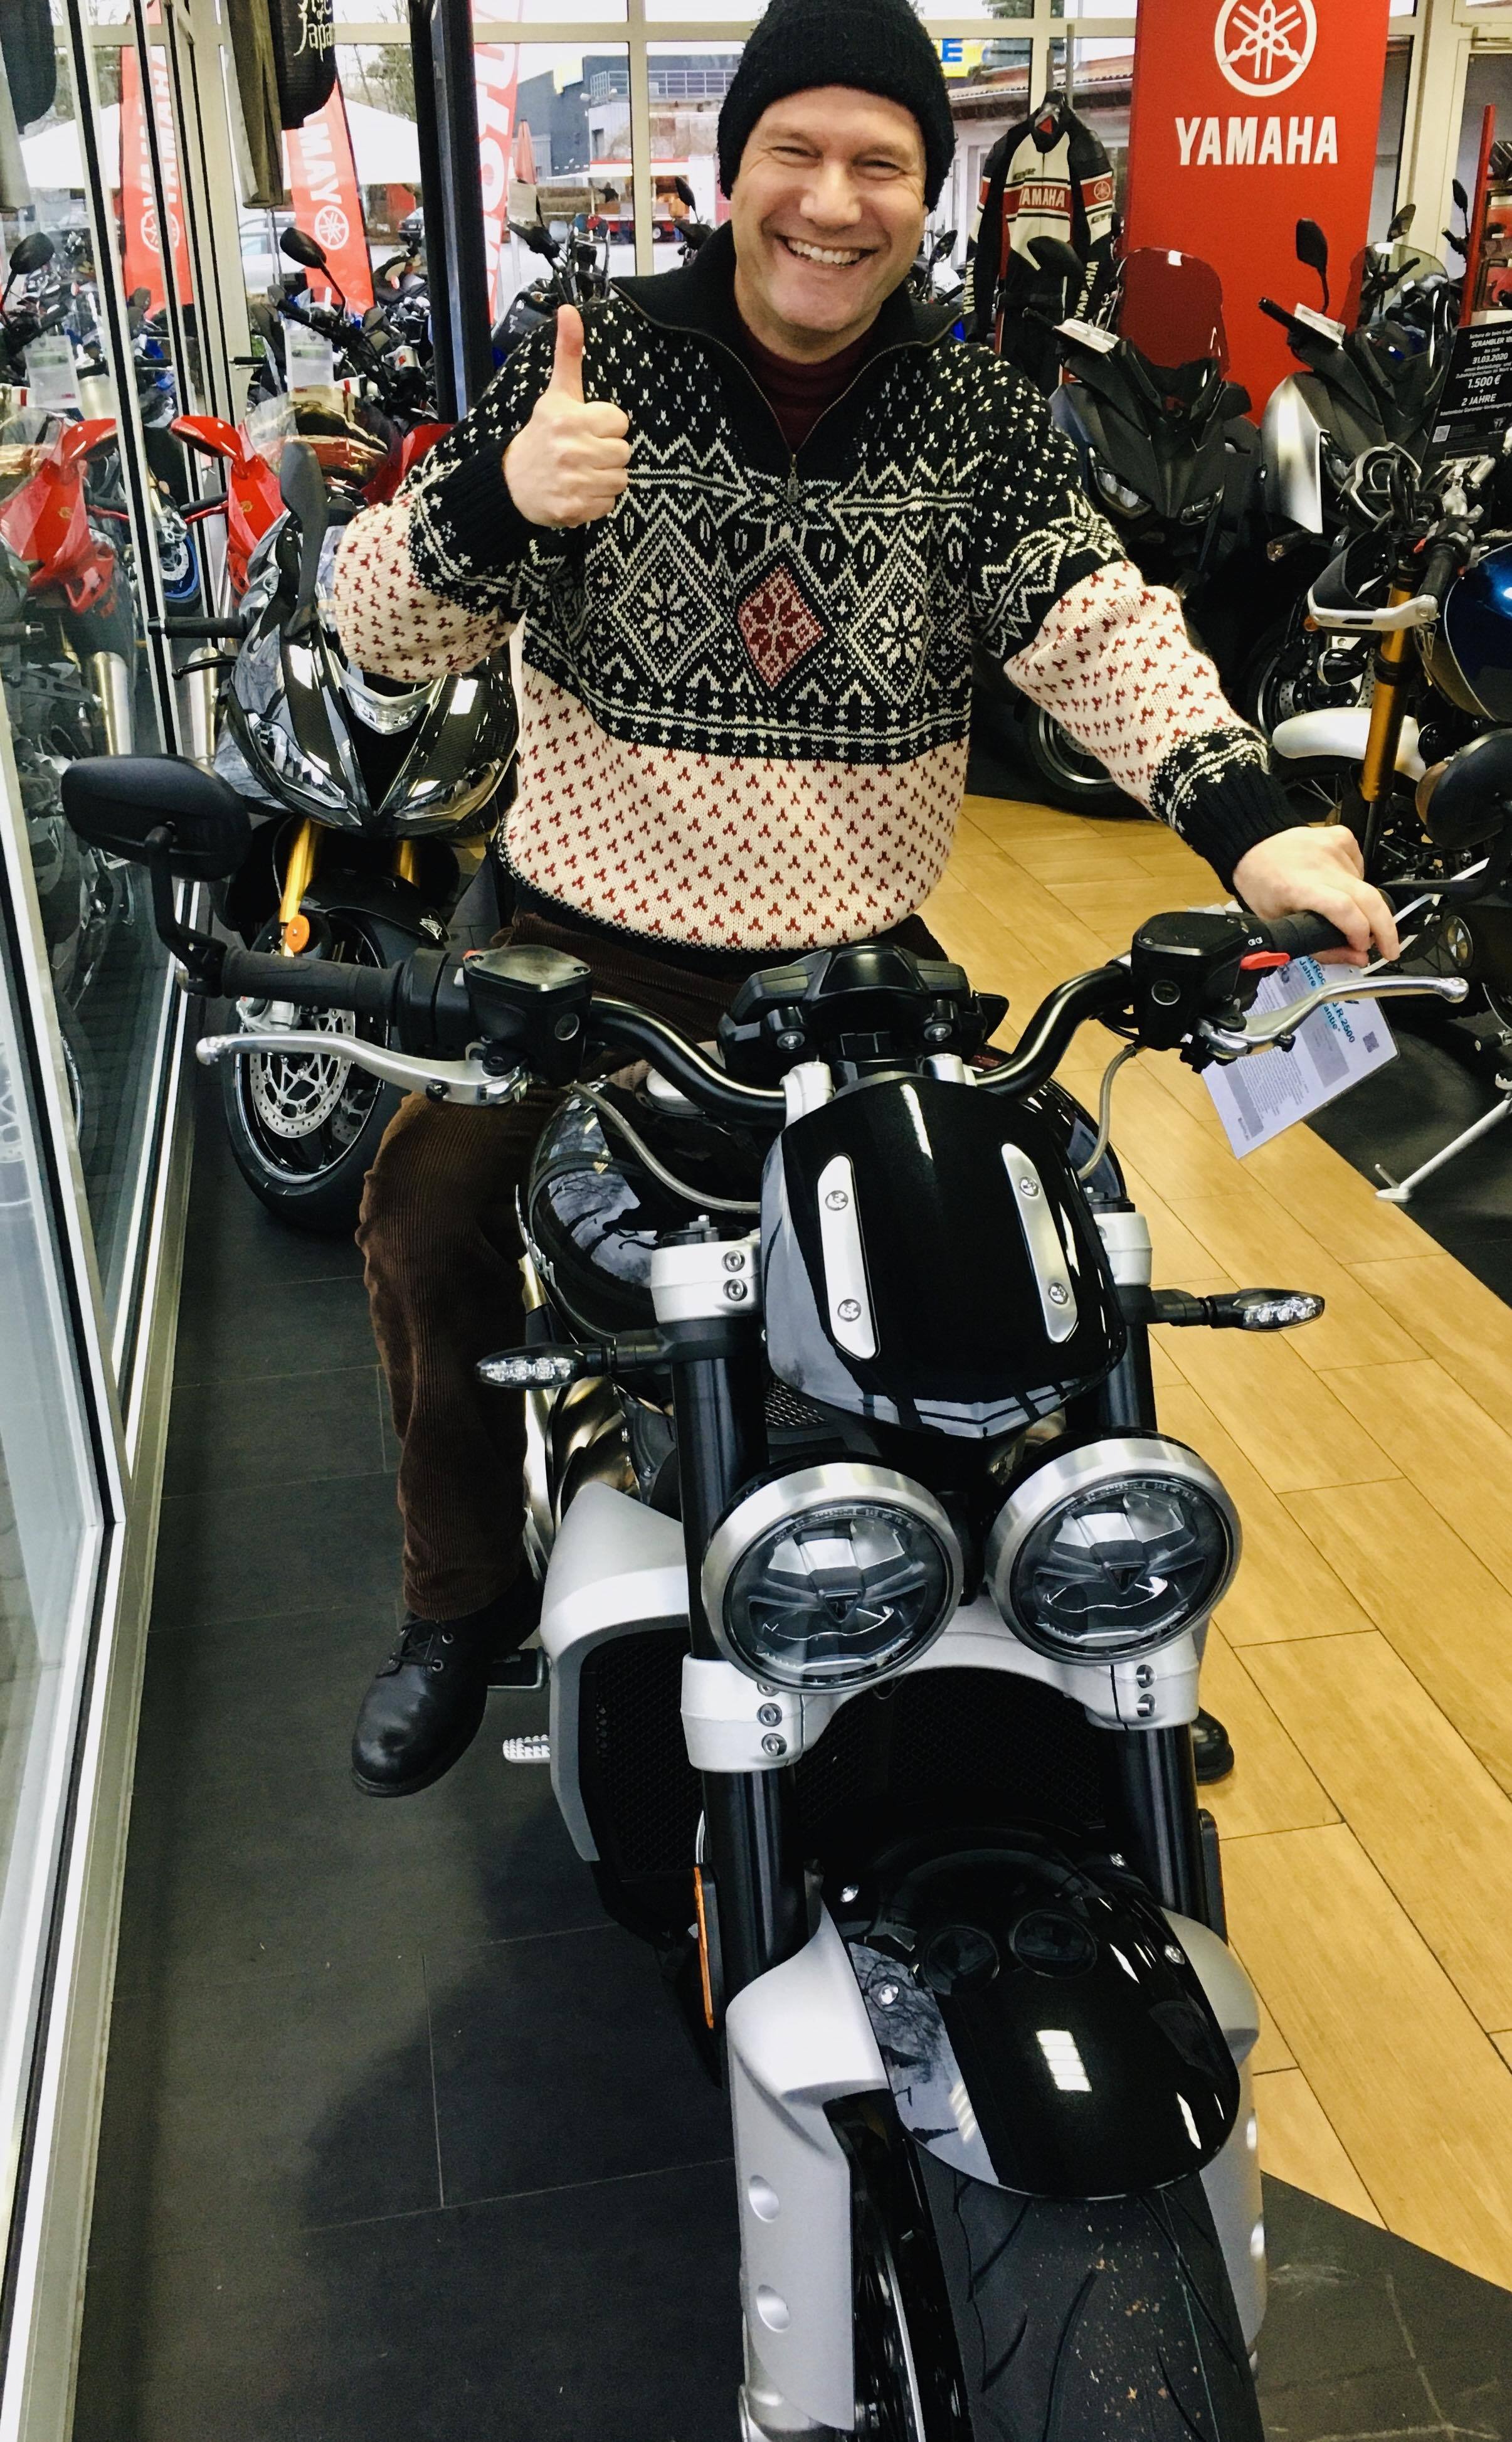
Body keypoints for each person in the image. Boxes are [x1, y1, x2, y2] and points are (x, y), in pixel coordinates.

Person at [331, 0, 1397, 1799]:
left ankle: (1073, 1608)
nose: (833, 203)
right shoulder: (588, 358)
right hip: (581, 941)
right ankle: (460, 1598)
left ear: (930, 192)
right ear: (730, 168)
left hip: (859, 966)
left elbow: (1101, 627)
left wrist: (1256, 830)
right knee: (429, 1211)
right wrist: (499, 502)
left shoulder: (974, 411)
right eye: (796, 154)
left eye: (879, 165)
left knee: (1045, 1230)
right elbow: (376, 626)